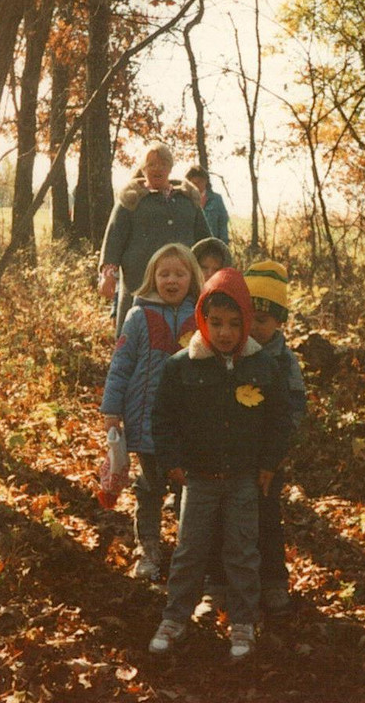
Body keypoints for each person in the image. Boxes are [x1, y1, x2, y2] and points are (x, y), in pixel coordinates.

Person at [148, 268, 291, 662]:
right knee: (189, 550)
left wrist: (267, 464)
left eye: (234, 323)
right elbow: (162, 418)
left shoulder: (262, 366)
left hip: (244, 479)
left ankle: (243, 622)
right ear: (202, 321)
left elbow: (280, 421)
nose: (225, 333)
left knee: (242, 551)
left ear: (245, 321)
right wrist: (172, 461)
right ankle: (174, 617)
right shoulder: (182, 366)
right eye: (215, 323)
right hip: (199, 479)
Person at [202, 260, 306, 616]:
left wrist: (276, 452)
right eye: (252, 318)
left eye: (264, 321)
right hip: (231, 454)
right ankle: (216, 582)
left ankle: (273, 581)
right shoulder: (236, 350)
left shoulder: (282, 360)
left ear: (278, 322)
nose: (256, 328)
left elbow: (294, 407)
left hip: (267, 458)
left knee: (265, 517)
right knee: (220, 518)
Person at [100, 244, 204, 582]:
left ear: (192, 278)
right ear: (152, 278)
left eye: (179, 273)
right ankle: (148, 548)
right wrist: (112, 409)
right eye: (164, 274)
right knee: (150, 486)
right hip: (145, 420)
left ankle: (189, 553)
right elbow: (121, 365)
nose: (171, 280)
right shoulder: (139, 315)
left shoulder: (201, 316)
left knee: (186, 487)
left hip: (188, 425)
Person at [99, 143, 211, 336]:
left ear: (170, 168)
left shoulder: (187, 201)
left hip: (181, 288)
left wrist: (211, 273)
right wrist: (108, 275)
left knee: (179, 338)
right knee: (134, 338)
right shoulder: (131, 200)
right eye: (151, 164)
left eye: (163, 164)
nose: (157, 168)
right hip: (139, 286)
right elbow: (113, 241)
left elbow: (206, 243)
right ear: (143, 168)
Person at [185, 166, 230, 245]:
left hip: (211, 246)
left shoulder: (216, 199)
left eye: (200, 182)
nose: (197, 185)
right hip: (190, 247)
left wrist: (223, 247)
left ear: (205, 181)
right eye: (194, 183)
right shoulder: (185, 200)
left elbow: (222, 226)